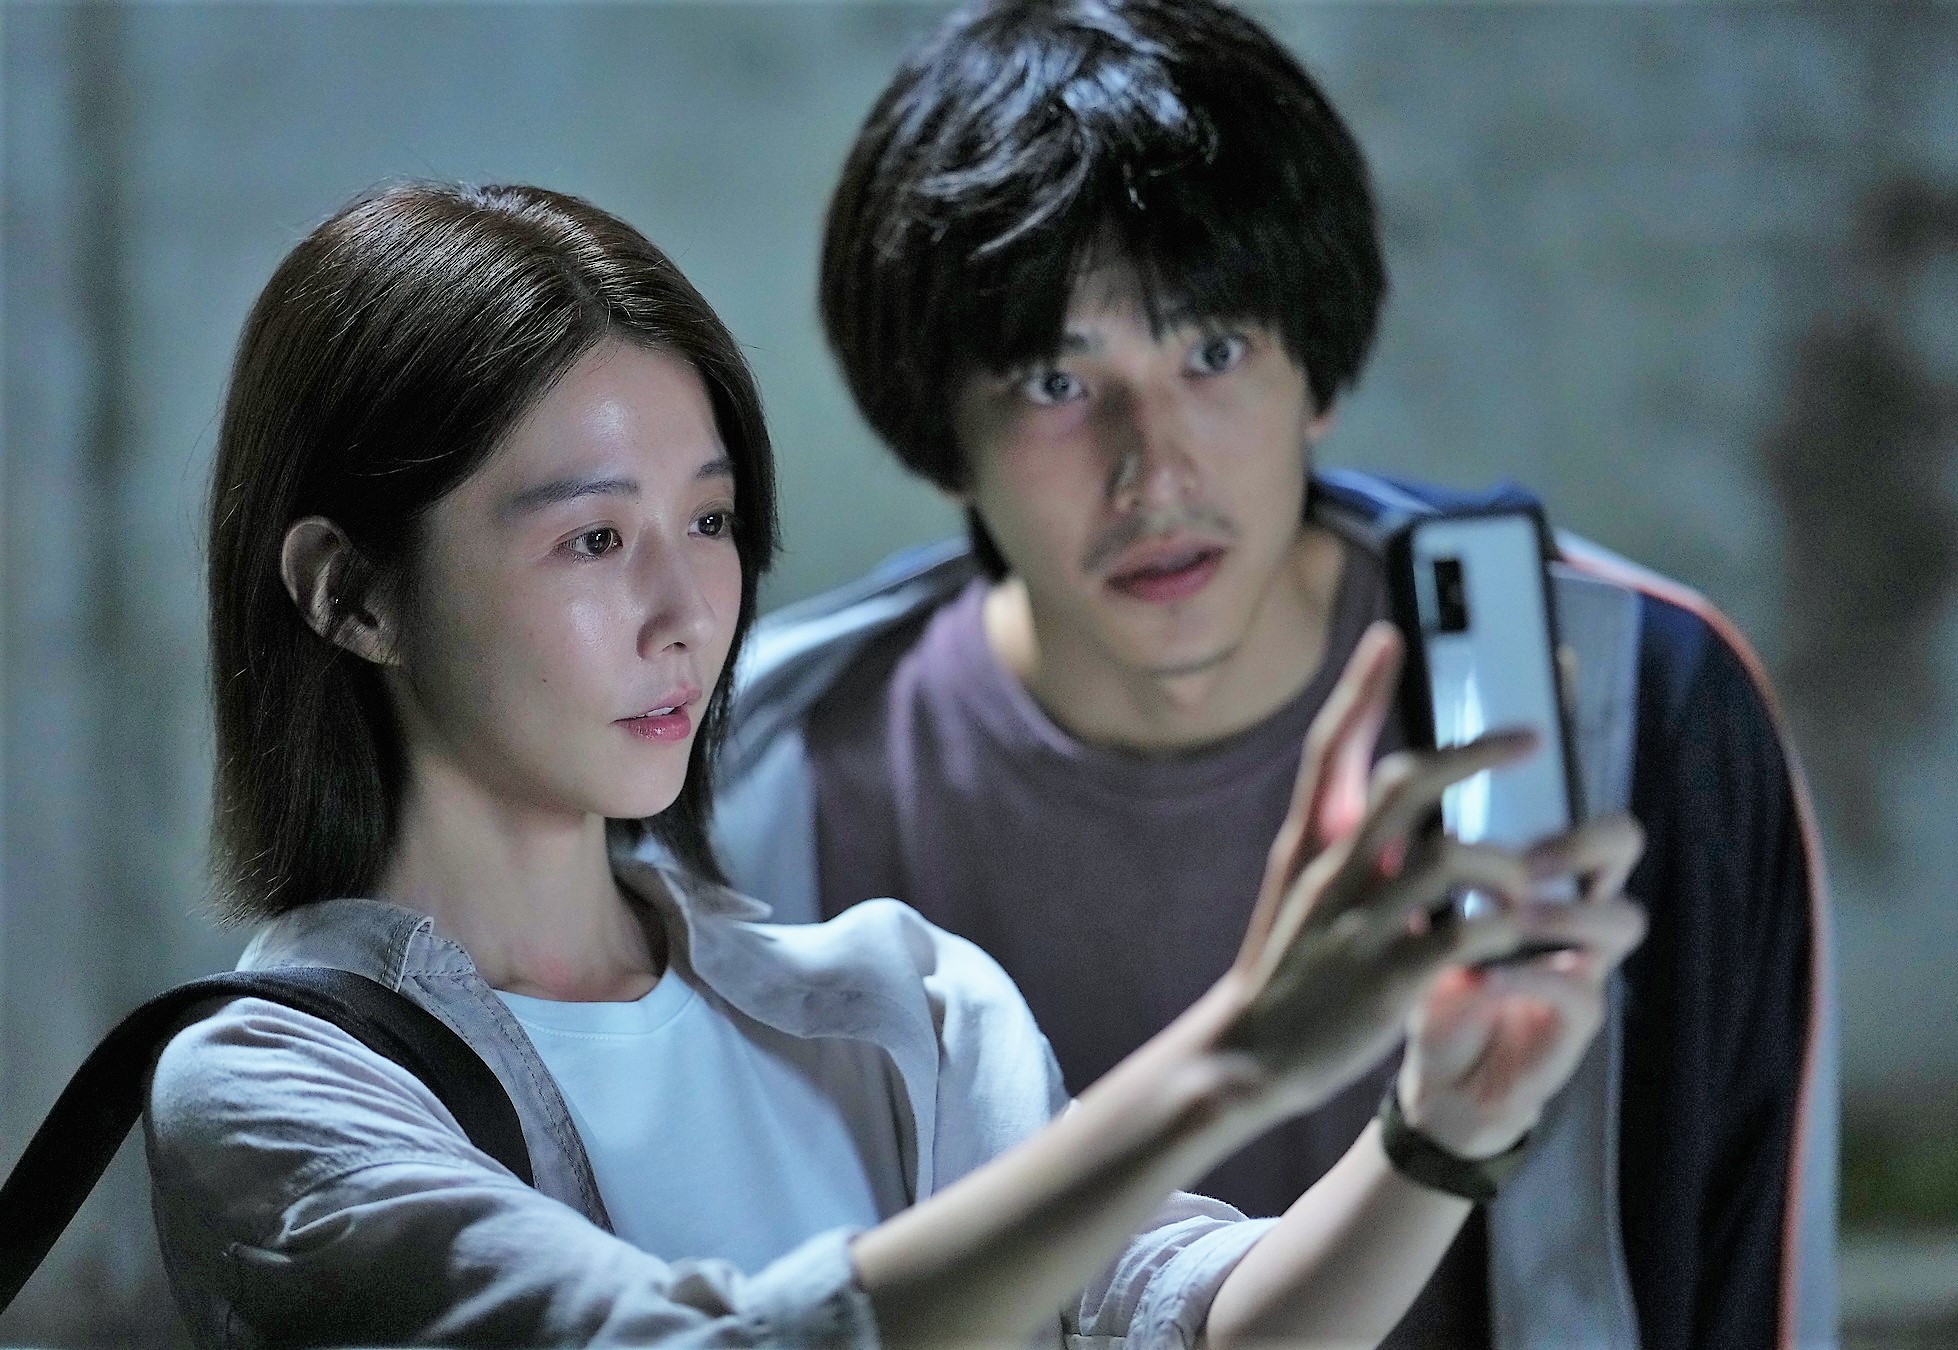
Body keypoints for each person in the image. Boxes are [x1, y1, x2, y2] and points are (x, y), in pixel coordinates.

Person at [147, 179, 1645, 1348]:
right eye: (593, 538)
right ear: (350, 593)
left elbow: (1178, 1317)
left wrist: (1441, 1133)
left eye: (711, 521)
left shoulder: (896, 1003)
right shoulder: (274, 1091)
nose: (687, 612)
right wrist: (1235, 1056)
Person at [709, 1, 1838, 1347]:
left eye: (1215, 352)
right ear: (940, 427)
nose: (1155, 473)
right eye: (1056, 383)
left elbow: (1741, 1271)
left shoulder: (1630, 696)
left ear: (1317, 370)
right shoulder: (762, 764)